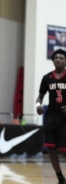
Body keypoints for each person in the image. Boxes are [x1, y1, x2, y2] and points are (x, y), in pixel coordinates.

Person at [36, 48, 66, 184]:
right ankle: (60, 177)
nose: (58, 60)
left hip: (65, 118)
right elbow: (40, 98)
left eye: (61, 58)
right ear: (53, 61)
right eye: (56, 58)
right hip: (51, 116)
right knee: (51, 147)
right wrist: (38, 106)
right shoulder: (46, 78)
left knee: (64, 149)